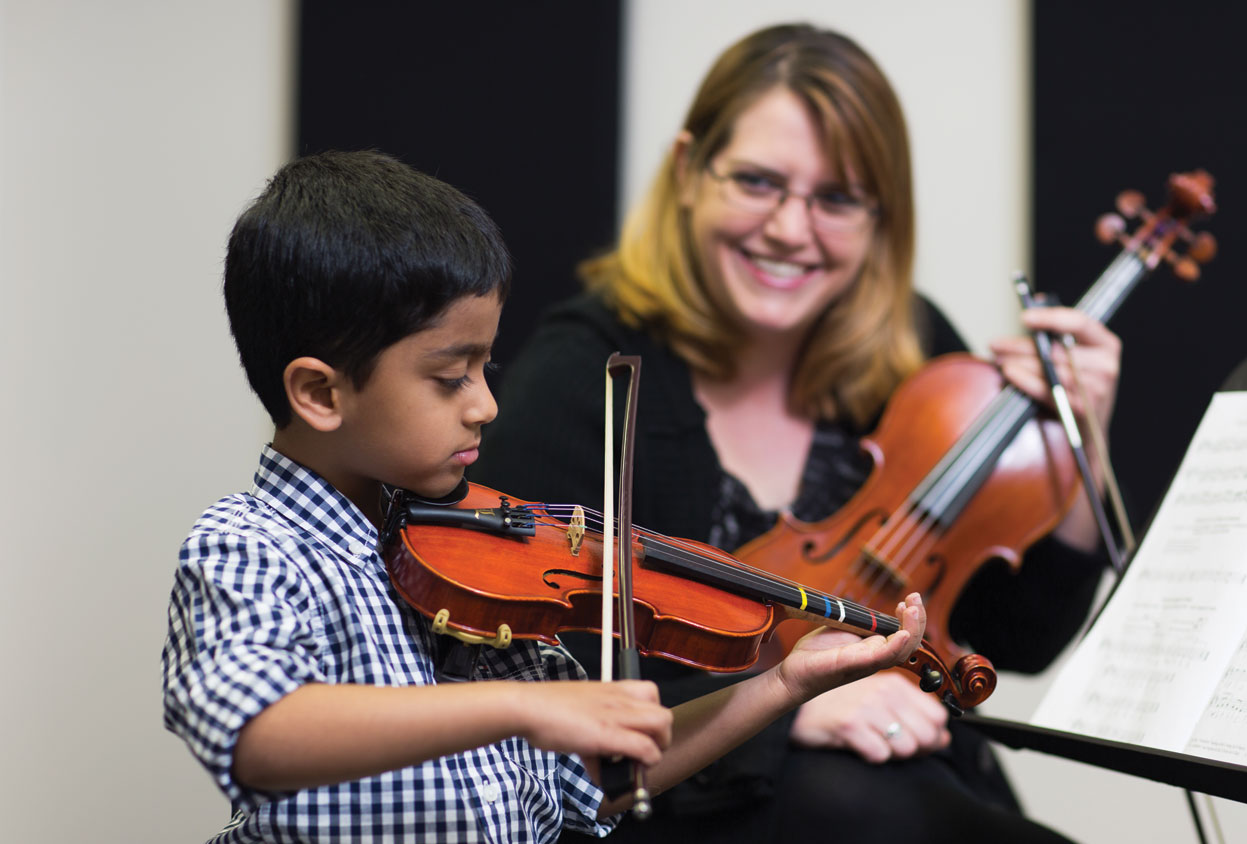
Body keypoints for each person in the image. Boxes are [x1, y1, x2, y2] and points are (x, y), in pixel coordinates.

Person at [160, 149, 933, 844]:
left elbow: (591, 785)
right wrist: (522, 709)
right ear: (319, 394)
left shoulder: (483, 553)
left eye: (486, 368)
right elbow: (260, 735)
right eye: (448, 376)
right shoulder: (250, 548)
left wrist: (780, 686)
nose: (485, 405)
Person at [470, 23, 1123, 844]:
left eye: (837, 199)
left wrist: (1081, 440)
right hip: (682, 810)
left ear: (881, 217)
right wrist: (780, 708)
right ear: (687, 173)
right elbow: (507, 678)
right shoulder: (583, 375)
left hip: (902, 784)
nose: (789, 227)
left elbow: (1013, 642)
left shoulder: (915, 355)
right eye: (757, 181)